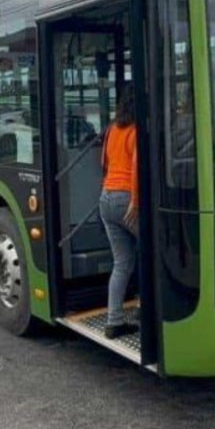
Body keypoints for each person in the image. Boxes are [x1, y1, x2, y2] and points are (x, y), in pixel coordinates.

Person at [99, 91, 140, 340]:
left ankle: (114, 321)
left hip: (106, 197)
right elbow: (137, 167)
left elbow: (102, 160)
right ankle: (145, 309)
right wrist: (135, 201)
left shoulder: (112, 129)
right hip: (127, 198)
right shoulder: (136, 131)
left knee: (122, 263)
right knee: (151, 254)